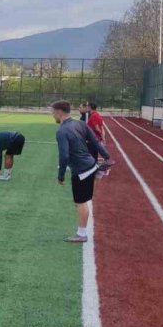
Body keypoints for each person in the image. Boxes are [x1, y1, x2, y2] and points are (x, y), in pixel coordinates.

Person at [52, 100, 114, 243]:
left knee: (80, 202)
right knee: (82, 201)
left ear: (59, 112)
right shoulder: (80, 124)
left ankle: (82, 234)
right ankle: (83, 230)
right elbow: (95, 142)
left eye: (53, 112)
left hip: (82, 171)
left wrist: (60, 176)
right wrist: (107, 156)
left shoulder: (62, 131)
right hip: (91, 165)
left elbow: (64, 156)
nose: (52, 115)